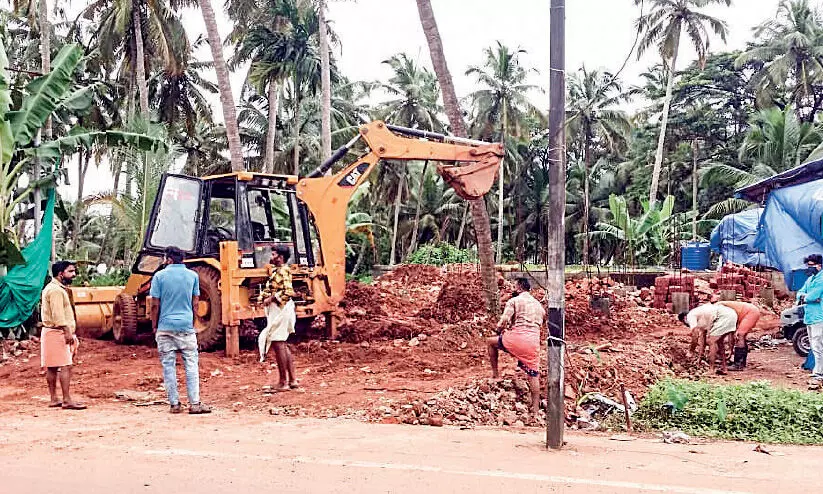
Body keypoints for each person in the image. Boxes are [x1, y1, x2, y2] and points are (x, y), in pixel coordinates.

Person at [149, 247, 211, 414]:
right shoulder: (192, 276)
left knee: (168, 366)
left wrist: (155, 325)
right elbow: (195, 303)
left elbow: (155, 305)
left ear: (168, 259)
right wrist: (191, 322)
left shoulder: (159, 276)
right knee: (191, 365)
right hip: (185, 327)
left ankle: (174, 404)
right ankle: (195, 404)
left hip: (164, 327)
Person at [486, 278, 545, 415]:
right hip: (532, 343)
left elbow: (504, 320)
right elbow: (540, 323)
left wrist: (498, 331)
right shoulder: (539, 306)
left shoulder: (513, 301)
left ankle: (495, 375)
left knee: (491, 342)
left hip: (516, 339)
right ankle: (535, 408)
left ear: (518, 288)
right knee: (533, 374)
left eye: (514, 286)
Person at [40, 261, 86, 410]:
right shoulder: (56, 291)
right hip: (58, 331)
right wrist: (67, 332)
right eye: (70, 272)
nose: (74, 275)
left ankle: (54, 398)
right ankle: (66, 399)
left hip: (51, 331)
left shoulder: (54, 288)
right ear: (61, 274)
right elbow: (58, 315)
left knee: (52, 367)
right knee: (66, 365)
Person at [257, 245, 298, 391]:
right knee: (282, 343)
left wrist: (272, 298)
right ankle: (292, 380)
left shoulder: (283, 272)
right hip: (280, 309)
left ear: (280, 257)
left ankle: (283, 382)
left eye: (273, 254)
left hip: (280, 309)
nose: (271, 257)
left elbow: (288, 292)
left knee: (278, 343)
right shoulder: (279, 272)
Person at [679, 301, 738, 375]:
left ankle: (711, 369)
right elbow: (702, 341)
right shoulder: (702, 318)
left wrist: (691, 351)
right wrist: (699, 358)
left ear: (684, 318)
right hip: (731, 314)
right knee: (719, 342)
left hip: (724, 316)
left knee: (711, 341)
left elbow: (695, 336)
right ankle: (724, 368)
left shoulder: (690, 316)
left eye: (684, 323)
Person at [797, 253, 823, 388]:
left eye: (811, 265)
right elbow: (800, 293)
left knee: (818, 347)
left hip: (820, 317)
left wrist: (806, 297)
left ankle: (818, 375)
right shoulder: (811, 279)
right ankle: (818, 373)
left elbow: (814, 295)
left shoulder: (821, 279)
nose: (809, 267)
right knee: (814, 346)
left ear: (819, 266)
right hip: (810, 317)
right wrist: (805, 297)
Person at [717, 300, 760, 371]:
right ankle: (741, 362)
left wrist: (730, 350)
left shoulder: (718, 309)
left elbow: (729, 332)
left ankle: (738, 364)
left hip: (750, 312)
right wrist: (730, 350)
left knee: (740, 335)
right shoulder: (718, 309)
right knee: (738, 335)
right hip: (746, 312)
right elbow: (731, 331)